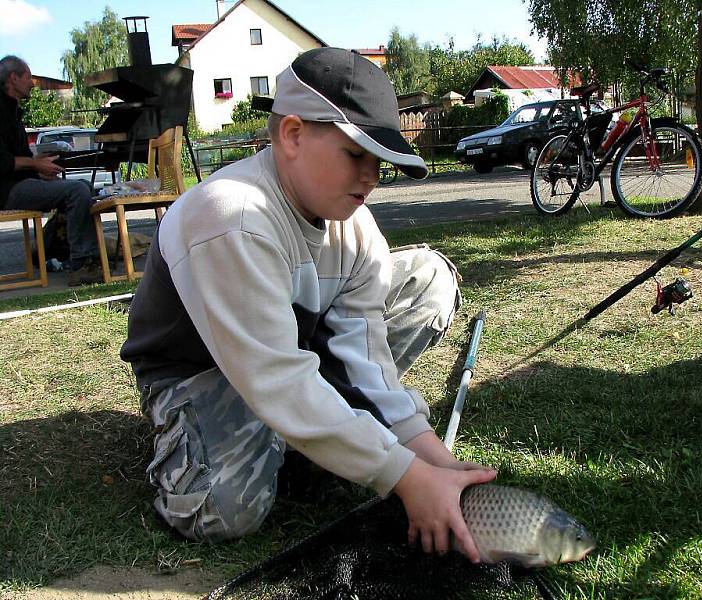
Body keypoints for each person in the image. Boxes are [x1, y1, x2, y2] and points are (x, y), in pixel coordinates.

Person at [120, 47, 496, 562]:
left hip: (289, 353)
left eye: (380, 162)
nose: (371, 177)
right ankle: (217, 440)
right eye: (355, 154)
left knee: (427, 278)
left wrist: (430, 458)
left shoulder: (355, 227)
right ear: (292, 135)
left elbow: (367, 360)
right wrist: (402, 477)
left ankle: (310, 434)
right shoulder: (233, 214)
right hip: (200, 372)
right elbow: (275, 378)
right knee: (223, 510)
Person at [0, 55, 102, 286]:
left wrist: (38, 170)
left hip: (18, 183)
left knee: (84, 187)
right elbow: (2, 163)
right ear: (13, 78)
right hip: (7, 191)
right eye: (27, 77)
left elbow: (17, 160)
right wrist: (35, 164)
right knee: (76, 191)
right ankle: (82, 263)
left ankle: (57, 249)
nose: (32, 82)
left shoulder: (12, 110)